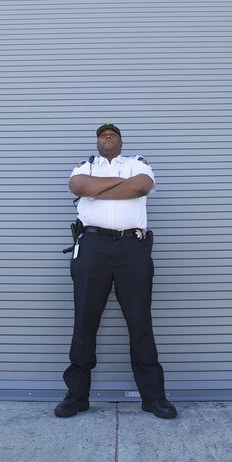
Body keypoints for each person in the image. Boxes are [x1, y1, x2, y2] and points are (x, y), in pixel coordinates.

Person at [54, 123, 177, 419]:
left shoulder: (137, 163)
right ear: (97, 143)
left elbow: (141, 186)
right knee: (84, 320)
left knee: (140, 322)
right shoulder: (85, 164)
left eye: (113, 135)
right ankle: (77, 396)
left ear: (121, 142)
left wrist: (99, 188)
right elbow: (78, 187)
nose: (108, 137)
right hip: (92, 246)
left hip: (131, 248)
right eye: (103, 135)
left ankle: (153, 397)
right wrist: (119, 185)